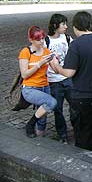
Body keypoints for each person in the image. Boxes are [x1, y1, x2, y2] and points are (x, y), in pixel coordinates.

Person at [51, 11, 92, 155]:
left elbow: (69, 72)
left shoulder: (76, 45)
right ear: (90, 24)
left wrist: (56, 66)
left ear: (76, 27)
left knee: (84, 133)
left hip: (82, 96)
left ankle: (86, 164)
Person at [38, 14, 73, 143]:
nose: (66, 26)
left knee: (75, 105)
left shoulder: (68, 38)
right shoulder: (46, 41)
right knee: (57, 109)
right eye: (63, 24)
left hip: (68, 78)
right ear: (54, 25)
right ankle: (62, 134)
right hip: (53, 81)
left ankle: (77, 128)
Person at [19, 26, 57, 138]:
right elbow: (24, 74)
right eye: (38, 39)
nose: (41, 42)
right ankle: (30, 124)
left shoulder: (46, 51)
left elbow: (55, 69)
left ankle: (40, 139)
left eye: (43, 39)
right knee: (51, 102)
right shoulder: (26, 52)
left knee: (43, 117)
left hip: (45, 87)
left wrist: (55, 60)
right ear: (31, 40)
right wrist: (39, 64)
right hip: (30, 88)